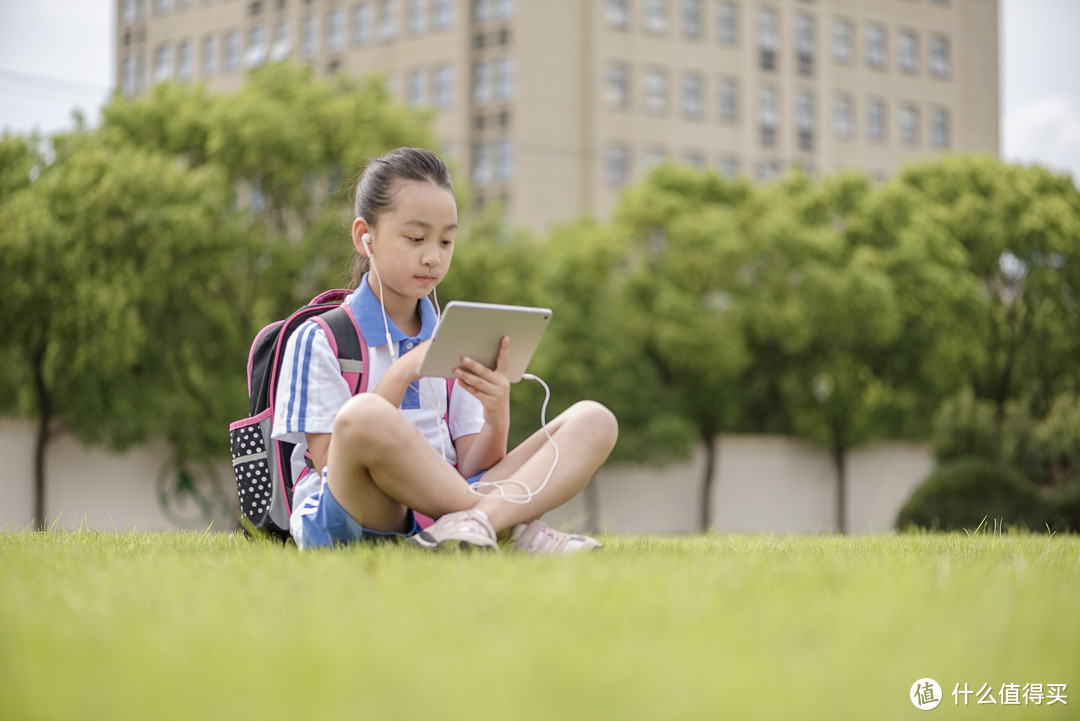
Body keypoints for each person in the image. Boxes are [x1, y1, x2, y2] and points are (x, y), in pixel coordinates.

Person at [271, 147, 618, 553]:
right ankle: (509, 524)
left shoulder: (453, 334)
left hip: (442, 507)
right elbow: (333, 461)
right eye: (416, 238)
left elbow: (472, 465)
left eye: (447, 240)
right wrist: (403, 373)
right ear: (364, 237)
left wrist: (497, 413)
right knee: (363, 415)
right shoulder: (322, 337)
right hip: (357, 511)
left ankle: (477, 523)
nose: (433, 257)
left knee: (595, 420)